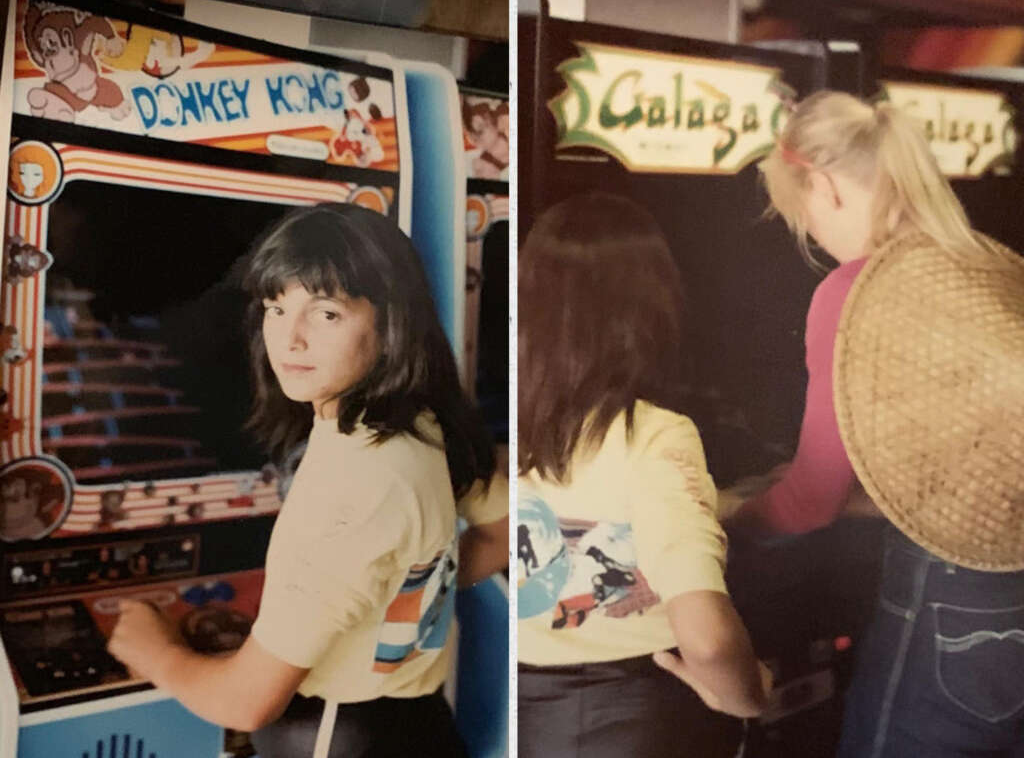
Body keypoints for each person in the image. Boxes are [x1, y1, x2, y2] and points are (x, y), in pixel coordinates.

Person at [108, 203, 508, 758]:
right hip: (416, 723)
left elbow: (246, 703)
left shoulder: (354, 485)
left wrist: (155, 651)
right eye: (276, 307)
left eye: (325, 314)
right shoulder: (420, 420)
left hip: (334, 735)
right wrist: (391, 591)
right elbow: (505, 528)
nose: (288, 340)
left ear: (390, 326)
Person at [728, 91, 1024, 757]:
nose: (804, 227)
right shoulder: (977, 265)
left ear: (825, 186)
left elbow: (809, 502)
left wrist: (726, 522)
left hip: (950, 604)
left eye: (797, 205)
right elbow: (964, 474)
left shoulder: (856, 295)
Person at [517, 192, 771, 758]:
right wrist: (752, 695)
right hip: (640, 720)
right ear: (646, 305)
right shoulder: (657, 435)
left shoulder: (519, 429)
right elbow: (706, 640)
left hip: (533, 717)